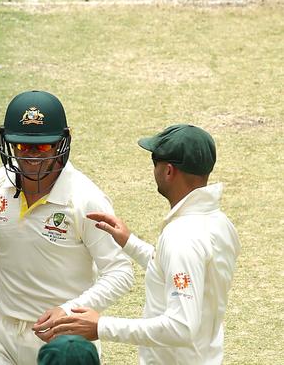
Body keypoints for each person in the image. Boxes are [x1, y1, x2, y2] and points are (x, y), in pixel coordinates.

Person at [49, 124, 241, 365]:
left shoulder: (182, 236)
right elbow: (175, 270)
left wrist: (101, 326)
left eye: (155, 161)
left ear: (169, 171)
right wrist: (129, 243)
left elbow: (181, 326)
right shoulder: (220, 223)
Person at [0, 90, 134, 364]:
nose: (31, 157)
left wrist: (69, 310)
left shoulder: (85, 199)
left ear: (61, 144)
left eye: (41, 147)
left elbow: (120, 272)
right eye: (22, 146)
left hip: (61, 341)